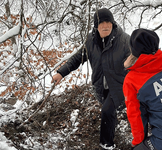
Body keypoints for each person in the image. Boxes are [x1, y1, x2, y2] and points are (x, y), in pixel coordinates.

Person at [51, 8, 130, 150]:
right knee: (109, 112)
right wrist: (61, 73)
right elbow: (77, 58)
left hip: (120, 85)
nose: (105, 26)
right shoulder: (91, 41)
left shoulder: (124, 40)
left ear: (113, 23)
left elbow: (137, 60)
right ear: (96, 26)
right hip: (101, 85)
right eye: (101, 23)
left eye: (108, 22)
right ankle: (112, 127)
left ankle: (106, 144)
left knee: (107, 110)